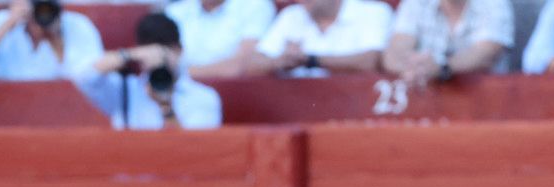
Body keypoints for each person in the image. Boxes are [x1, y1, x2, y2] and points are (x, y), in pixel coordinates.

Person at [77, 13, 222, 129]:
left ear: (179, 50)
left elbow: (198, 150)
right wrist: (130, 55)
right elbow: (83, 77)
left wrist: (166, 107)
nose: (157, 59)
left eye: (165, 51)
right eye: (150, 51)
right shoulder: (125, 89)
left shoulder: (204, 97)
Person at [382, 0, 515, 85]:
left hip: (486, 104)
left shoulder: (494, 3)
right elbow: (394, 54)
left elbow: (486, 54)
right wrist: (417, 69)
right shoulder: (416, 3)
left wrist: (442, 68)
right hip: (425, 103)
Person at [0, 0, 104, 81]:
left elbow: (89, 75)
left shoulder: (78, 24)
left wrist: (55, 37)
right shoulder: (4, 21)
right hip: (7, 102)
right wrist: (11, 22)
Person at [252, 0, 394, 77]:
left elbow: (372, 60)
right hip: (295, 110)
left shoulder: (373, 11)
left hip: (357, 110)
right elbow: (252, 64)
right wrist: (278, 62)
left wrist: (311, 60)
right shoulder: (291, 16)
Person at [162, 0, 276, 80]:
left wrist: (181, 74)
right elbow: (161, 59)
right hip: (179, 93)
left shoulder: (256, 5)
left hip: (234, 93)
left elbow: (242, 65)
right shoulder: (175, 11)